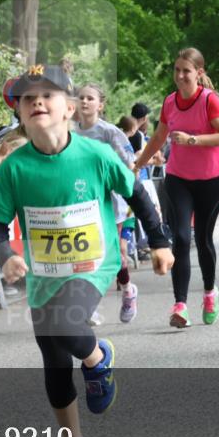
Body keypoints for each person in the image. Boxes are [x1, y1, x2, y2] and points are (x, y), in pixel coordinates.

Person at [0, 65, 174, 437]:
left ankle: (97, 357)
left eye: (45, 96)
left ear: (68, 108)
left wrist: (160, 241)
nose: (35, 103)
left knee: (68, 325)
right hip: (44, 274)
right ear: (20, 114)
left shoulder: (96, 155)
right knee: (53, 362)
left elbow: (137, 194)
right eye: (26, 99)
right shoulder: (15, 168)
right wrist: (5, 254)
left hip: (92, 265)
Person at [135, 48, 219, 327]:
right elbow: (158, 137)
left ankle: (209, 292)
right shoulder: (169, 102)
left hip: (211, 179)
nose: (180, 75)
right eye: (177, 70)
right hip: (178, 178)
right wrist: (137, 163)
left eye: (186, 71)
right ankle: (180, 305)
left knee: (203, 240)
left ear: (199, 73)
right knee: (180, 238)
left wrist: (193, 140)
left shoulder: (208, 101)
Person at [74, 83, 140, 324]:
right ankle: (89, 305)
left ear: (100, 105)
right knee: (86, 256)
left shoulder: (110, 133)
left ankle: (128, 290)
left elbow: (130, 166)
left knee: (117, 256)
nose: (84, 102)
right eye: (80, 97)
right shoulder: (70, 133)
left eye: (90, 98)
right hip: (82, 204)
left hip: (113, 204)